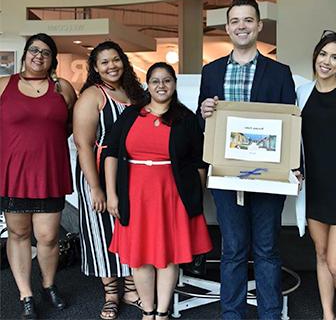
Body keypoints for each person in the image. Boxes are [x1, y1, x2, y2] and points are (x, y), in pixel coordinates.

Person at [197, 0, 296, 319]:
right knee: (233, 249)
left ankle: (270, 314)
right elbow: (204, 123)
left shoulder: (280, 73)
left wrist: (296, 167)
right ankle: (232, 314)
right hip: (225, 175)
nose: (242, 26)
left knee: (267, 249)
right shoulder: (210, 72)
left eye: (248, 20)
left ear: (259, 26)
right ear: (227, 28)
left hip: (268, 177)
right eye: (236, 21)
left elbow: (290, 125)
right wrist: (204, 112)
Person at [105, 62, 212, 320]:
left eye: (166, 80)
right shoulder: (131, 115)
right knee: (139, 257)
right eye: (155, 81)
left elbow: (199, 161)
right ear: (148, 85)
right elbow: (111, 153)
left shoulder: (186, 119)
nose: (161, 86)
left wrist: (195, 198)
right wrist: (111, 194)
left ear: (174, 85)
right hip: (135, 195)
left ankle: (162, 313)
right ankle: (147, 311)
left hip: (172, 196)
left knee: (169, 256)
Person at [0, 33, 76, 319]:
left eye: (46, 52)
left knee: (48, 236)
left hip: (49, 171)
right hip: (13, 173)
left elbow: (69, 125)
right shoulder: (4, 85)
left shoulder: (63, 88)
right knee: (18, 234)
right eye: (34, 50)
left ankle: (48, 284)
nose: (38, 56)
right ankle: (25, 294)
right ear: (25, 54)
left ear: (52, 59)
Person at [73, 41, 145, 320]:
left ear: (123, 62)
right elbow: (83, 145)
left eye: (116, 60)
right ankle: (111, 294)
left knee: (128, 230)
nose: (111, 66)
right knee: (102, 233)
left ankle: (129, 288)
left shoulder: (135, 94)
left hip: (132, 174)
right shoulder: (93, 95)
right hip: (99, 173)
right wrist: (96, 188)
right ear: (95, 67)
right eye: (104, 62)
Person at [296, 30, 336, 320]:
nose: (326, 61)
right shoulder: (301, 93)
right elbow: (292, 139)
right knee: (321, 256)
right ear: (315, 55)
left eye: (335, 57)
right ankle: (327, 315)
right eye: (323, 54)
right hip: (315, 191)